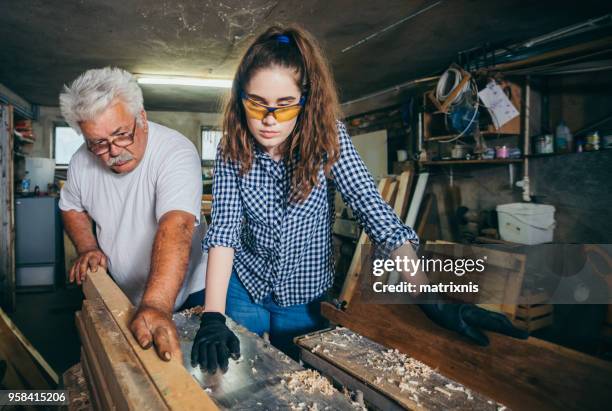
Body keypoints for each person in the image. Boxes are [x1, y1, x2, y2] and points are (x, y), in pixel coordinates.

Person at [191, 25, 527, 374]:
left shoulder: (326, 138)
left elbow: (373, 207)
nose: (269, 120)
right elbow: (225, 232)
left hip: (303, 295)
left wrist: (429, 296)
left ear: (306, 100)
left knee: (292, 379)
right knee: (244, 375)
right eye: (257, 103)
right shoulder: (233, 147)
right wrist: (213, 316)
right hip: (246, 286)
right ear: (241, 96)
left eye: (285, 106)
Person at [59, 67, 206, 362]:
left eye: (121, 135)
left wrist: (155, 304)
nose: (113, 151)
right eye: (98, 143)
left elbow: (176, 227)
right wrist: (87, 246)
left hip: (189, 292)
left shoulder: (175, 152)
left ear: (142, 118)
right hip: (124, 290)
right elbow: (70, 206)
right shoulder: (80, 163)